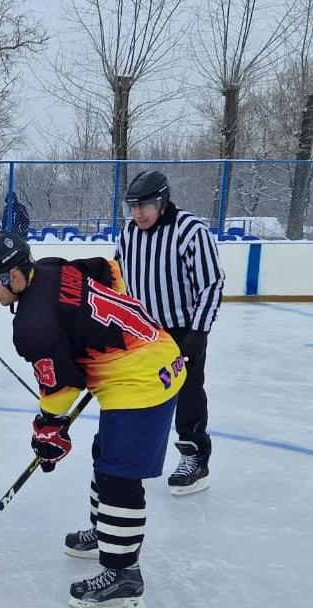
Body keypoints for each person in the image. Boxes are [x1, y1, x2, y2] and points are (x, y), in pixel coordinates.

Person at [0, 231, 186, 608]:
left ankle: (123, 576)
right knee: (105, 453)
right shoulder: (51, 267)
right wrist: (99, 330)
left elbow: (64, 386)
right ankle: (107, 532)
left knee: (118, 474)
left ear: (16, 277)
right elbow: (109, 271)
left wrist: (48, 429)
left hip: (140, 379)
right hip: (159, 350)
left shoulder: (32, 326)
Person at [115, 170, 224, 495]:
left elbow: (211, 283)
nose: (137, 213)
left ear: (162, 201)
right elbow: (118, 275)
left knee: (187, 392)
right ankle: (135, 451)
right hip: (143, 333)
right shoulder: (129, 233)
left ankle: (195, 458)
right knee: (139, 393)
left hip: (182, 331)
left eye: (144, 206)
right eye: (132, 207)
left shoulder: (190, 231)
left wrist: (198, 331)